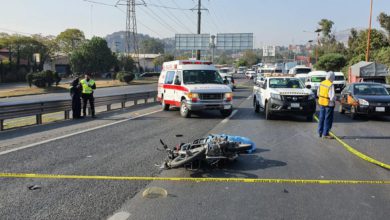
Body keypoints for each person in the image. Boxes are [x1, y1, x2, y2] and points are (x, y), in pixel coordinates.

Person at [317, 71, 336, 139]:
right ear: (332, 77)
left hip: (322, 103)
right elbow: (332, 97)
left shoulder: (322, 83)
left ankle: (320, 132)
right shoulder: (330, 84)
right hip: (329, 104)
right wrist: (335, 101)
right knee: (328, 119)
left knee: (321, 118)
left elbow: (318, 94)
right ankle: (326, 133)